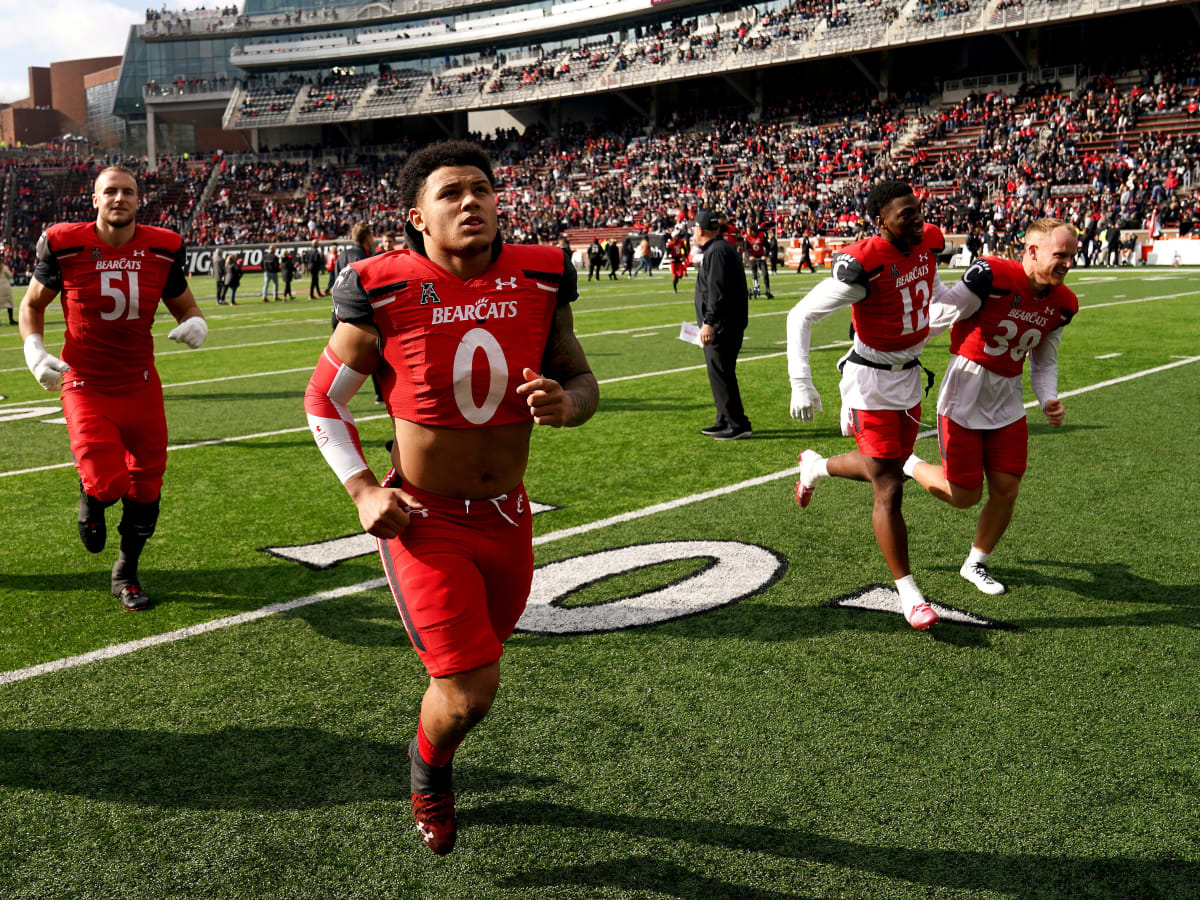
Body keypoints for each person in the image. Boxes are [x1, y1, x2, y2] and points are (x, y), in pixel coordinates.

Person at [304, 140, 598, 856]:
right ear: (418, 218)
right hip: (423, 522)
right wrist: (363, 488)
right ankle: (427, 776)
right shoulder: (381, 285)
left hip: (508, 517)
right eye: (451, 193)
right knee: (469, 691)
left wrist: (570, 403)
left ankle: (438, 749)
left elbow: (582, 382)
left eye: (482, 189)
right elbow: (323, 401)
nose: (472, 201)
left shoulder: (541, 275)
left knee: (479, 678)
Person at [18, 164, 207, 611]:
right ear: (96, 200)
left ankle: (126, 573)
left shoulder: (162, 247)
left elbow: (185, 304)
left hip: (141, 383)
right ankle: (93, 495)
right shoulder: (66, 243)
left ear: (139, 200)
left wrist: (196, 322)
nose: (119, 198)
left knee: (147, 487)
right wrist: (33, 350)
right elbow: (31, 304)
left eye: (127, 192)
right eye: (110, 192)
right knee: (107, 482)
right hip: (85, 382)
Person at [785, 180, 946, 631]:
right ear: (881, 222)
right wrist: (802, 383)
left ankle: (815, 468)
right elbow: (800, 315)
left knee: (887, 466)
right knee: (890, 485)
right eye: (904, 216)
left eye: (917, 211)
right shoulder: (864, 263)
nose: (916, 220)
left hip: (911, 375)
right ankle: (909, 594)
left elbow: (934, 286)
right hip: (871, 381)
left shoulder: (929, 241)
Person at [904, 219, 1079, 596]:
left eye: (1071, 256)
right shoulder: (992, 275)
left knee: (1006, 487)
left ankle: (976, 562)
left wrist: (1048, 397)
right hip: (964, 393)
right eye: (1060, 255)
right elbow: (940, 317)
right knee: (964, 496)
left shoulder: (1063, 302)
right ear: (1032, 251)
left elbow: (1044, 361)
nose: (1067, 263)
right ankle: (909, 463)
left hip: (1008, 402)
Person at [694, 209, 752, 441]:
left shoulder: (717, 252)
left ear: (700, 230)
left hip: (722, 326)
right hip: (724, 324)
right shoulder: (718, 249)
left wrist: (709, 322)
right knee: (719, 374)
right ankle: (725, 418)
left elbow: (717, 293)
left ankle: (737, 423)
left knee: (722, 374)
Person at [745, 223, 773, 298]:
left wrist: (765, 255)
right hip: (753, 257)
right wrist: (750, 256)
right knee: (754, 273)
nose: (748, 232)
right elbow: (746, 248)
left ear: (753, 231)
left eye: (749, 230)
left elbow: (767, 246)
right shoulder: (747, 237)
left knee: (765, 273)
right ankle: (756, 287)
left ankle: (768, 289)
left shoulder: (761, 235)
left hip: (761, 256)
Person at [0, 259, 14, 324]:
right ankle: (11, 320)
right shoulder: (4, 268)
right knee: (9, 304)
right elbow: (10, 275)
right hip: (5, 288)